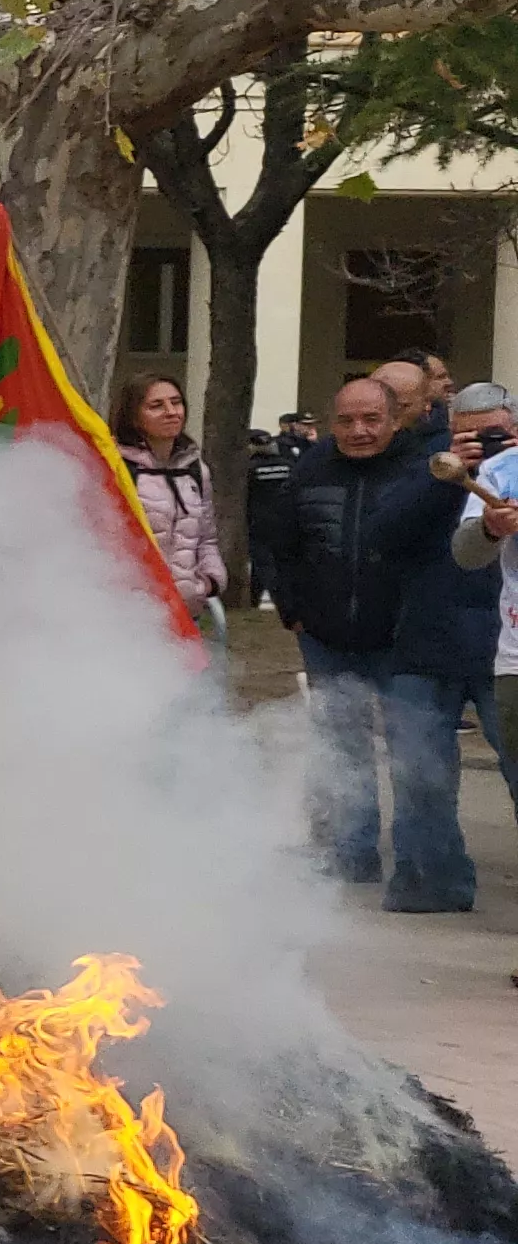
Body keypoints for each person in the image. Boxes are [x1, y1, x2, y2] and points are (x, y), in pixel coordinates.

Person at [256, 372, 486, 911]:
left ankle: (430, 878)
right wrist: (292, 609)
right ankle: (347, 856)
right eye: (345, 420)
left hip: (406, 641)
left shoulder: (427, 469)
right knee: (340, 752)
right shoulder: (309, 470)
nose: (358, 430)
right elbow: (277, 544)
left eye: (371, 420)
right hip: (327, 636)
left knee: (419, 761)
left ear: (395, 419)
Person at [447, 386, 518, 835]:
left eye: (493, 432)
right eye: (470, 434)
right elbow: (466, 554)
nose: (483, 442)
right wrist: (490, 530)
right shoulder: (497, 471)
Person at [116, 372, 227, 633]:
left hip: (187, 615)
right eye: (156, 406)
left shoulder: (196, 469)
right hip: (130, 619)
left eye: (176, 403)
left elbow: (206, 538)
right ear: (133, 416)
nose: (171, 412)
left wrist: (211, 581)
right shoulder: (117, 469)